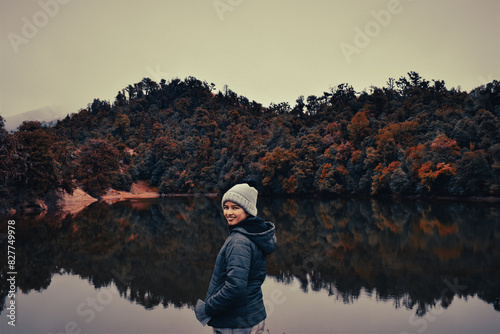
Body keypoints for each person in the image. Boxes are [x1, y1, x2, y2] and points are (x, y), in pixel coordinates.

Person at [195, 183, 277, 334]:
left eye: (235, 207)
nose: (228, 212)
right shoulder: (254, 234)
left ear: (248, 210)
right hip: (253, 316)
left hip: (235, 324)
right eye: (226, 207)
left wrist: (208, 307)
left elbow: (235, 287)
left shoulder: (239, 241)